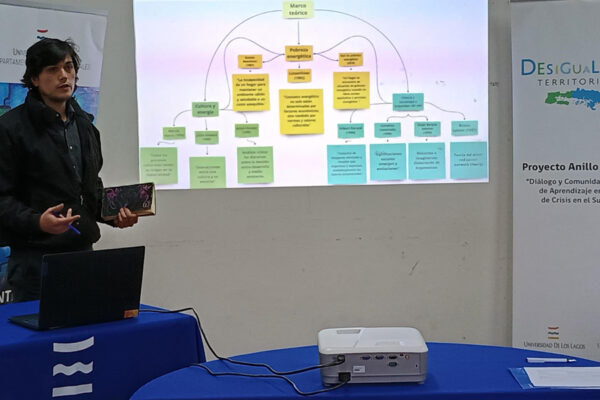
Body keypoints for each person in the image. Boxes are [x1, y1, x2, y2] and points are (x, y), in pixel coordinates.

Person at [0, 38, 138, 302]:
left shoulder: (85, 126)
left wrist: (114, 215)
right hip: (34, 261)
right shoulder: (10, 129)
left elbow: (88, 190)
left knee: (87, 327)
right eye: (52, 69)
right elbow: (2, 198)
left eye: (68, 67)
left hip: (82, 253)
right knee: (39, 330)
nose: (64, 75)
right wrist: (38, 221)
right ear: (34, 79)